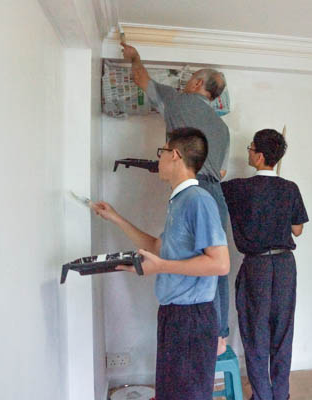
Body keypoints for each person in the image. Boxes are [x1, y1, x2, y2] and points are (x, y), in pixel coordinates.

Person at [93, 128, 230, 400]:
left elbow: (220, 263)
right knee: (171, 392)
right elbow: (159, 248)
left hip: (192, 319)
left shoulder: (199, 200)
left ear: (175, 155)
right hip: (174, 315)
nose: (160, 158)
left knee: (186, 394)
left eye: (162, 152)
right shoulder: (179, 200)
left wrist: (161, 267)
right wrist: (116, 218)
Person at [121, 43, 232, 354]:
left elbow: (141, 78)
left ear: (197, 85)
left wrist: (134, 57)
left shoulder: (178, 99)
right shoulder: (223, 128)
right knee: (215, 261)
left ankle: (200, 335)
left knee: (194, 258)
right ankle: (219, 334)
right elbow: (220, 171)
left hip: (193, 190)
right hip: (215, 193)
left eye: (190, 79)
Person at [221, 129, 309, 400]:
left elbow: (212, 191)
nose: (247, 151)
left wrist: (219, 177)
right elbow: (297, 230)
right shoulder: (289, 188)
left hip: (256, 266)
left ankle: (262, 396)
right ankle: (280, 395)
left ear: (259, 156)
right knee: (282, 331)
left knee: (255, 331)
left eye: (250, 148)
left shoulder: (236, 188)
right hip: (284, 265)